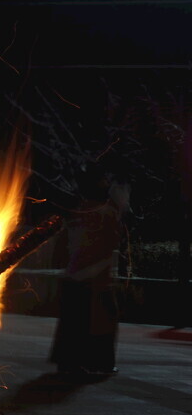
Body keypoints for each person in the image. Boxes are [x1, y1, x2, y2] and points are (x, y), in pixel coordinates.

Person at [49, 162, 130, 379]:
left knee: (75, 321)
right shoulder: (104, 213)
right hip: (95, 275)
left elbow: (70, 243)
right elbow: (109, 242)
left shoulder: (80, 211)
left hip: (76, 273)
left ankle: (70, 362)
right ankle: (97, 363)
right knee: (98, 321)